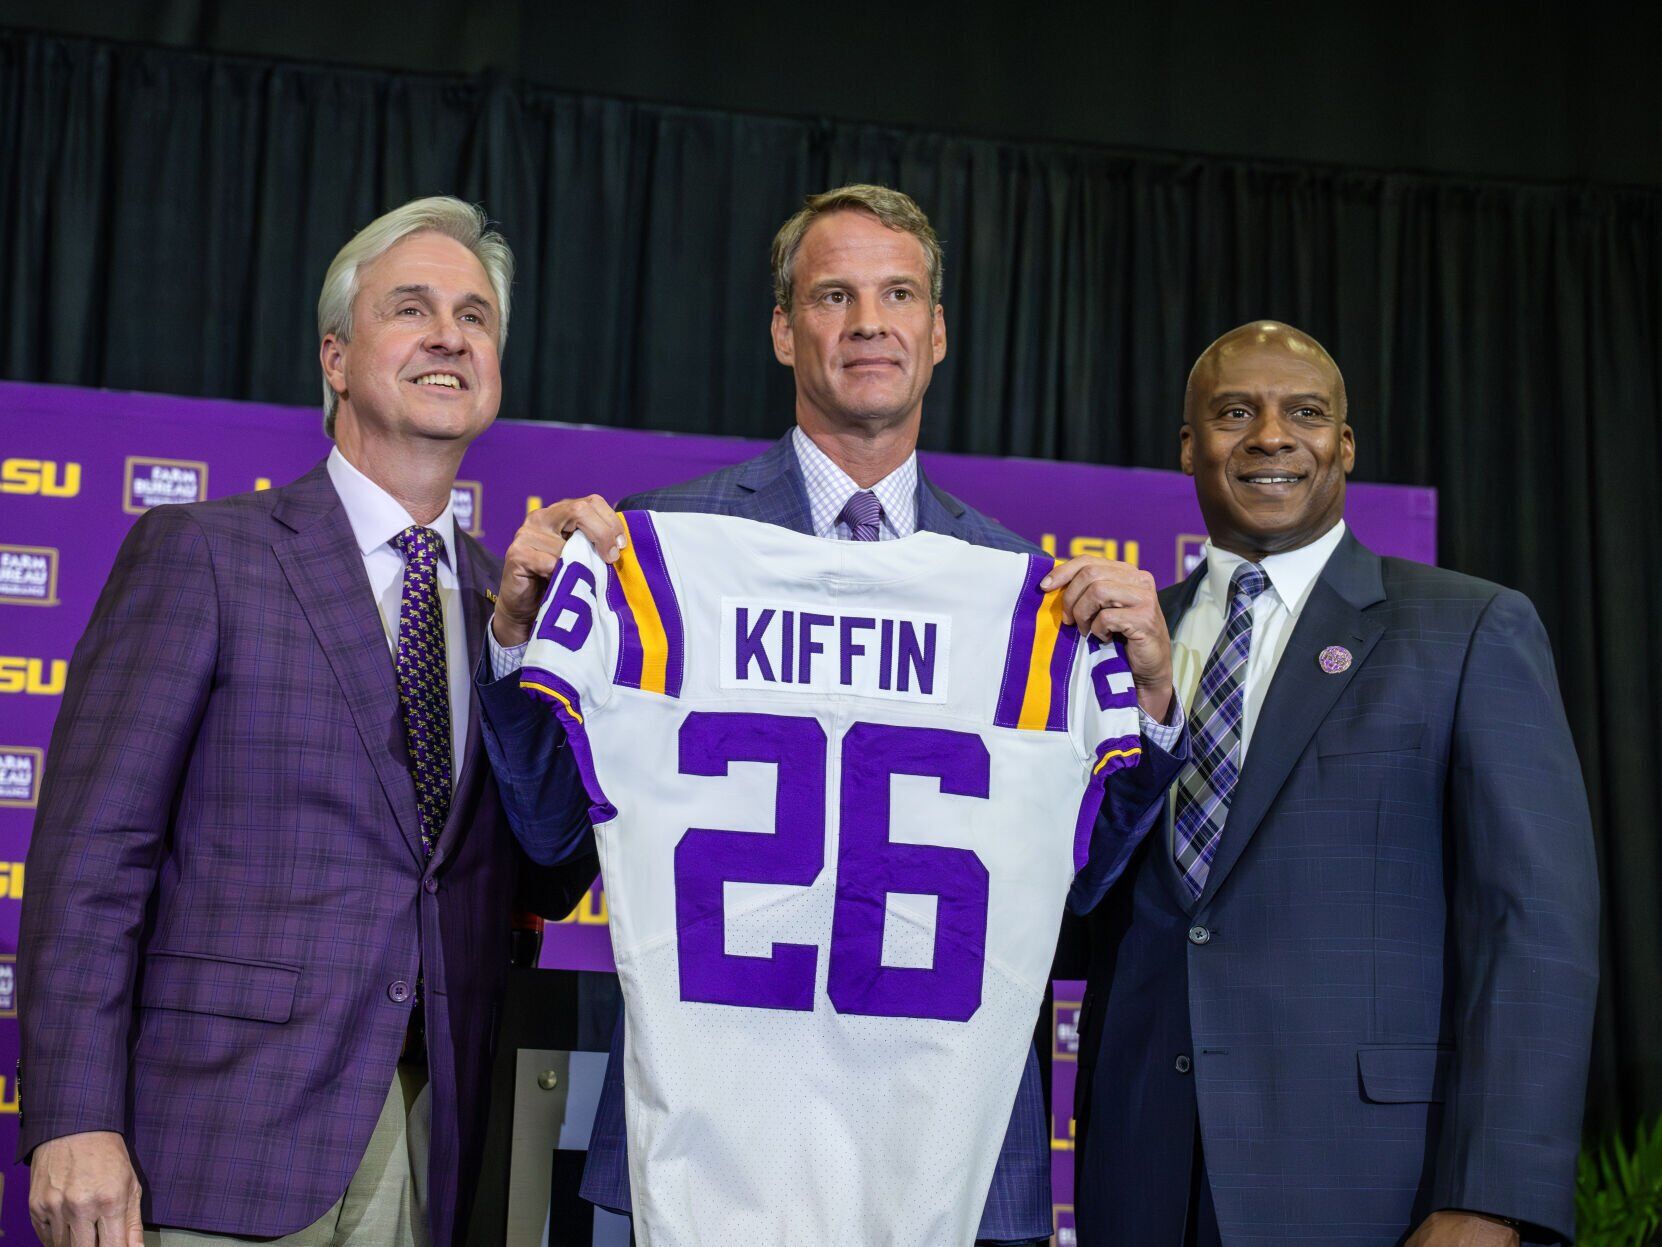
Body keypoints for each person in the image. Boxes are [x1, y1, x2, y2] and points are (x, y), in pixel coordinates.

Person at [476, 183, 1186, 1245]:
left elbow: (1075, 883)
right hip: (704, 1142)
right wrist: (518, 642)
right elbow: (552, 843)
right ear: (783, 329)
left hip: (950, 1155)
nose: (868, 322)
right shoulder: (652, 552)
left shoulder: (1023, 593)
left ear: (937, 333)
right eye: (833, 295)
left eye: (898, 294)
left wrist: (1150, 706)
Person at [19, 197, 593, 1247]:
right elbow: (92, 860)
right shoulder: (204, 553)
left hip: (439, 1147)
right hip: (214, 1148)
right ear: (336, 357)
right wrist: (74, 1118)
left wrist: (520, 653)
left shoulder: (509, 602)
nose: (449, 335)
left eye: (474, 316)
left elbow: (553, 870)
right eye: (410, 308)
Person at [1069, 321, 1599, 1246]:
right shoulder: (1108, 647)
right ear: (1189, 446)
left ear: (1344, 445)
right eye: (1236, 412)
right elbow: (1073, 905)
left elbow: (1534, 928)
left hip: (1367, 1183)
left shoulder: (1469, 629)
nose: (1271, 436)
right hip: (1139, 1172)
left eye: (1305, 413)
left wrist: (1491, 1196)